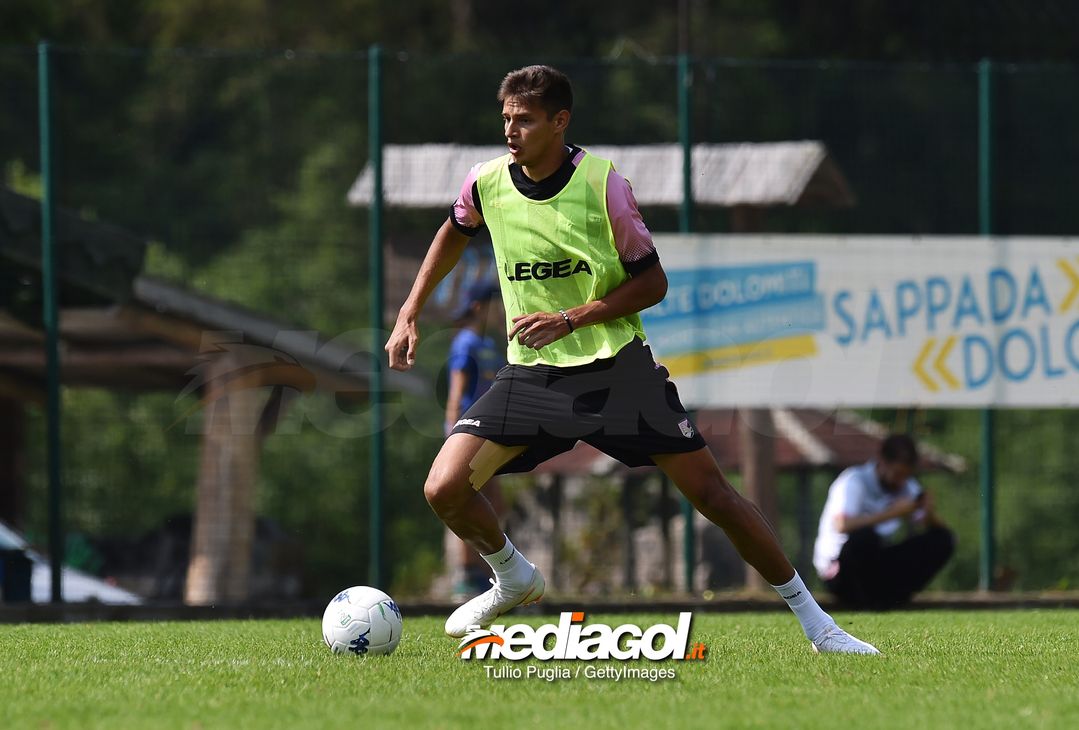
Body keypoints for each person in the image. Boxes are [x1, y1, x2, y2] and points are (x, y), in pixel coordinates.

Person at [385, 64, 879, 654]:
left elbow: (654, 284)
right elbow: (454, 230)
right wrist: (410, 309)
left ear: (560, 121)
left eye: (524, 120)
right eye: (506, 119)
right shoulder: (485, 182)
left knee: (715, 497)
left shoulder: (602, 184)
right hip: (532, 375)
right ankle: (514, 576)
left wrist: (571, 318)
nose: (511, 131)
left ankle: (818, 624)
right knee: (443, 487)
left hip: (616, 370)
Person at [813, 434, 955, 609]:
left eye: (906, 475)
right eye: (897, 474)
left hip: (875, 567)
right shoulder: (853, 480)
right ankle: (863, 604)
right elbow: (842, 525)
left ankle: (892, 601)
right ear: (882, 461)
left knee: (943, 539)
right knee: (865, 537)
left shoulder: (906, 486)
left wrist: (929, 512)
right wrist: (891, 513)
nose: (901, 481)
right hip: (839, 570)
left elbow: (934, 530)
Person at [443, 280, 506, 598]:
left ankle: (483, 572)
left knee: (494, 504)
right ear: (481, 307)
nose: (503, 309)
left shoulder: (489, 346)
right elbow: (457, 394)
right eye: (497, 303)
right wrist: (453, 437)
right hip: (468, 434)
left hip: (487, 436)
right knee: (467, 502)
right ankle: (466, 575)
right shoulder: (466, 343)